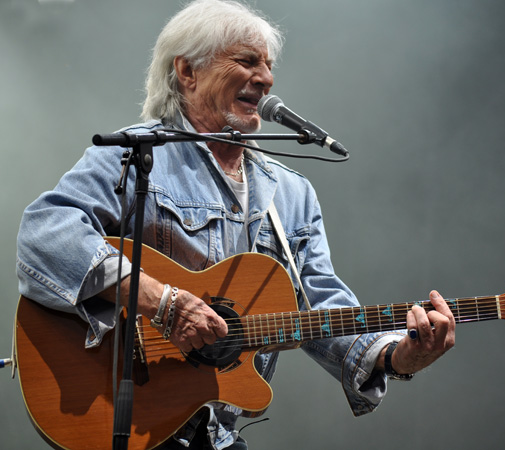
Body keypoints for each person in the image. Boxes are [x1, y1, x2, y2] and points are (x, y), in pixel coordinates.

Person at [16, 1, 455, 449]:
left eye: (268, 65)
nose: (265, 77)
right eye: (247, 61)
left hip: (215, 433)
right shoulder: (134, 155)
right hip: (126, 416)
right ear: (187, 71)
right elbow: (45, 231)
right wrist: (162, 302)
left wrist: (399, 356)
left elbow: (319, 308)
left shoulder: (291, 194)